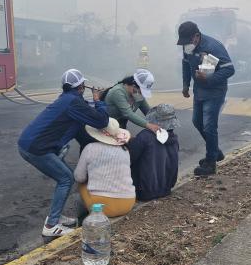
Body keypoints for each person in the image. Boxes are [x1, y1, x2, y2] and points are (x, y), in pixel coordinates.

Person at [17, 69, 109, 237]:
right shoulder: (74, 103)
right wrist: (98, 100)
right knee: (66, 178)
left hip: (29, 143)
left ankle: (56, 216)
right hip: (36, 148)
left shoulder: (68, 100)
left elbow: (81, 132)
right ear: (81, 86)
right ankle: (51, 225)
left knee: (65, 177)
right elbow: (101, 121)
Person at [177, 21, 235, 176]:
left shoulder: (213, 47)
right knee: (197, 121)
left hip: (215, 91)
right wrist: (185, 85)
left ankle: (210, 163)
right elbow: (185, 64)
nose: (186, 46)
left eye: (188, 41)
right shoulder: (187, 47)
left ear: (196, 36)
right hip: (199, 90)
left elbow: (230, 69)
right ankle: (215, 152)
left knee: (209, 126)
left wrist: (209, 79)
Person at [74, 118, 136, 218]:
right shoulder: (125, 150)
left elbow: (79, 177)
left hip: (102, 207)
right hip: (128, 203)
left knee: (81, 184)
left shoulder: (90, 148)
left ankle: (82, 221)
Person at [128, 104, 180, 201]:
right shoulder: (174, 139)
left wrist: (130, 142)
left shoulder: (145, 136)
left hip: (144, 192)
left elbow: (129, 158)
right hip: (166, 189)